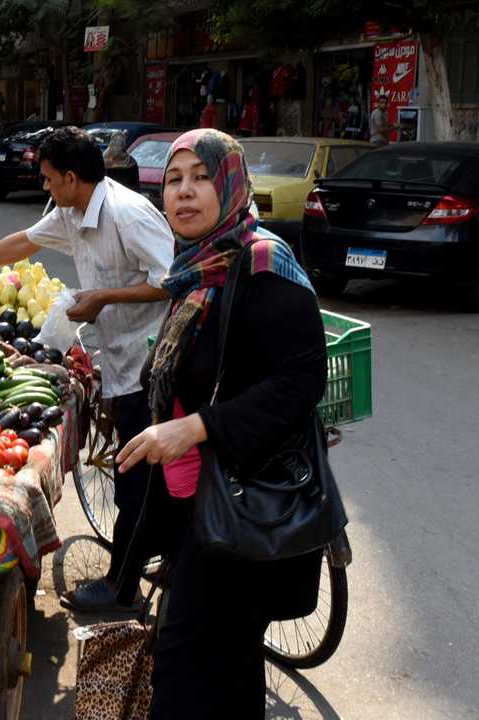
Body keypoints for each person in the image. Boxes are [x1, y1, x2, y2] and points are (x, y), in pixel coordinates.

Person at [114, 129, 328, 719]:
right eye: (174, 178)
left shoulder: (261, 263)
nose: (183, 192)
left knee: (181, 666)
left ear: (230, 182)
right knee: (230, 664)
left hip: (242, 499)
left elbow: (300, 382)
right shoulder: (199, 267)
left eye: (200, 177)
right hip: (201, 500)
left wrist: (196, 428)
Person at [0, 127, 173, 613]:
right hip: (119, 358)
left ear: (70, 177)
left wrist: (103, 296)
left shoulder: (127, 214)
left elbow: (171, 281)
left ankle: (122, 591)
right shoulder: (72, 211)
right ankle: (157, 561)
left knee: (135, 485)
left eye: (47, 178)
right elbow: (23, 243)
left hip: (151, 364)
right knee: (143, 480)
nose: (43, 187)